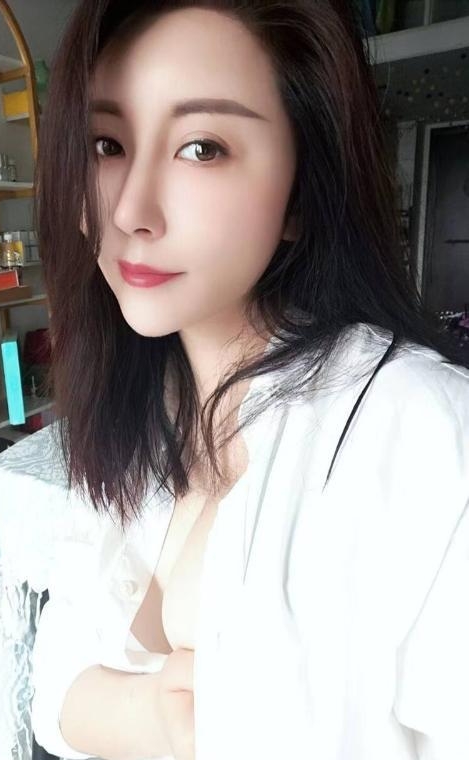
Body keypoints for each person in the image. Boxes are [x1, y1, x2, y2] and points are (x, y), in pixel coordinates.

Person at [29, 2, 469, 759]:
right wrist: (160, 718)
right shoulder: (129, 408)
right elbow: (49, 689)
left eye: (202, 148)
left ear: (301, 190)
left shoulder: (423, 430)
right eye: (106, 144)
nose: (130, 210)